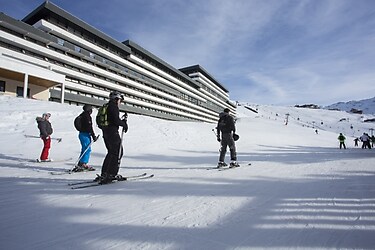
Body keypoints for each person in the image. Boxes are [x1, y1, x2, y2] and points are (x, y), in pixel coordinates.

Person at [98, 91, 128, 184]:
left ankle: (105, 173)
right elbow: (115, 120)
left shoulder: (106, 106)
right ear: (116, 99)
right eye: (120, 100)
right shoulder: (113, 107)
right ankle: (111, 174)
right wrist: (124, 124)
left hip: (106, 132)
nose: (120, 102)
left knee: (111, 153)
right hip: (112, 133)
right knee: (117, 153)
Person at [72, 104, 98, 172]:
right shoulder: (87, 116)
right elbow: (89, 127)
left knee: (85, 149)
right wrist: (93, 136)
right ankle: (83, 163)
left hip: (82, 134)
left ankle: (81, 163)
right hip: (85, 134)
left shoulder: (82, 115)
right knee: (87, 149)